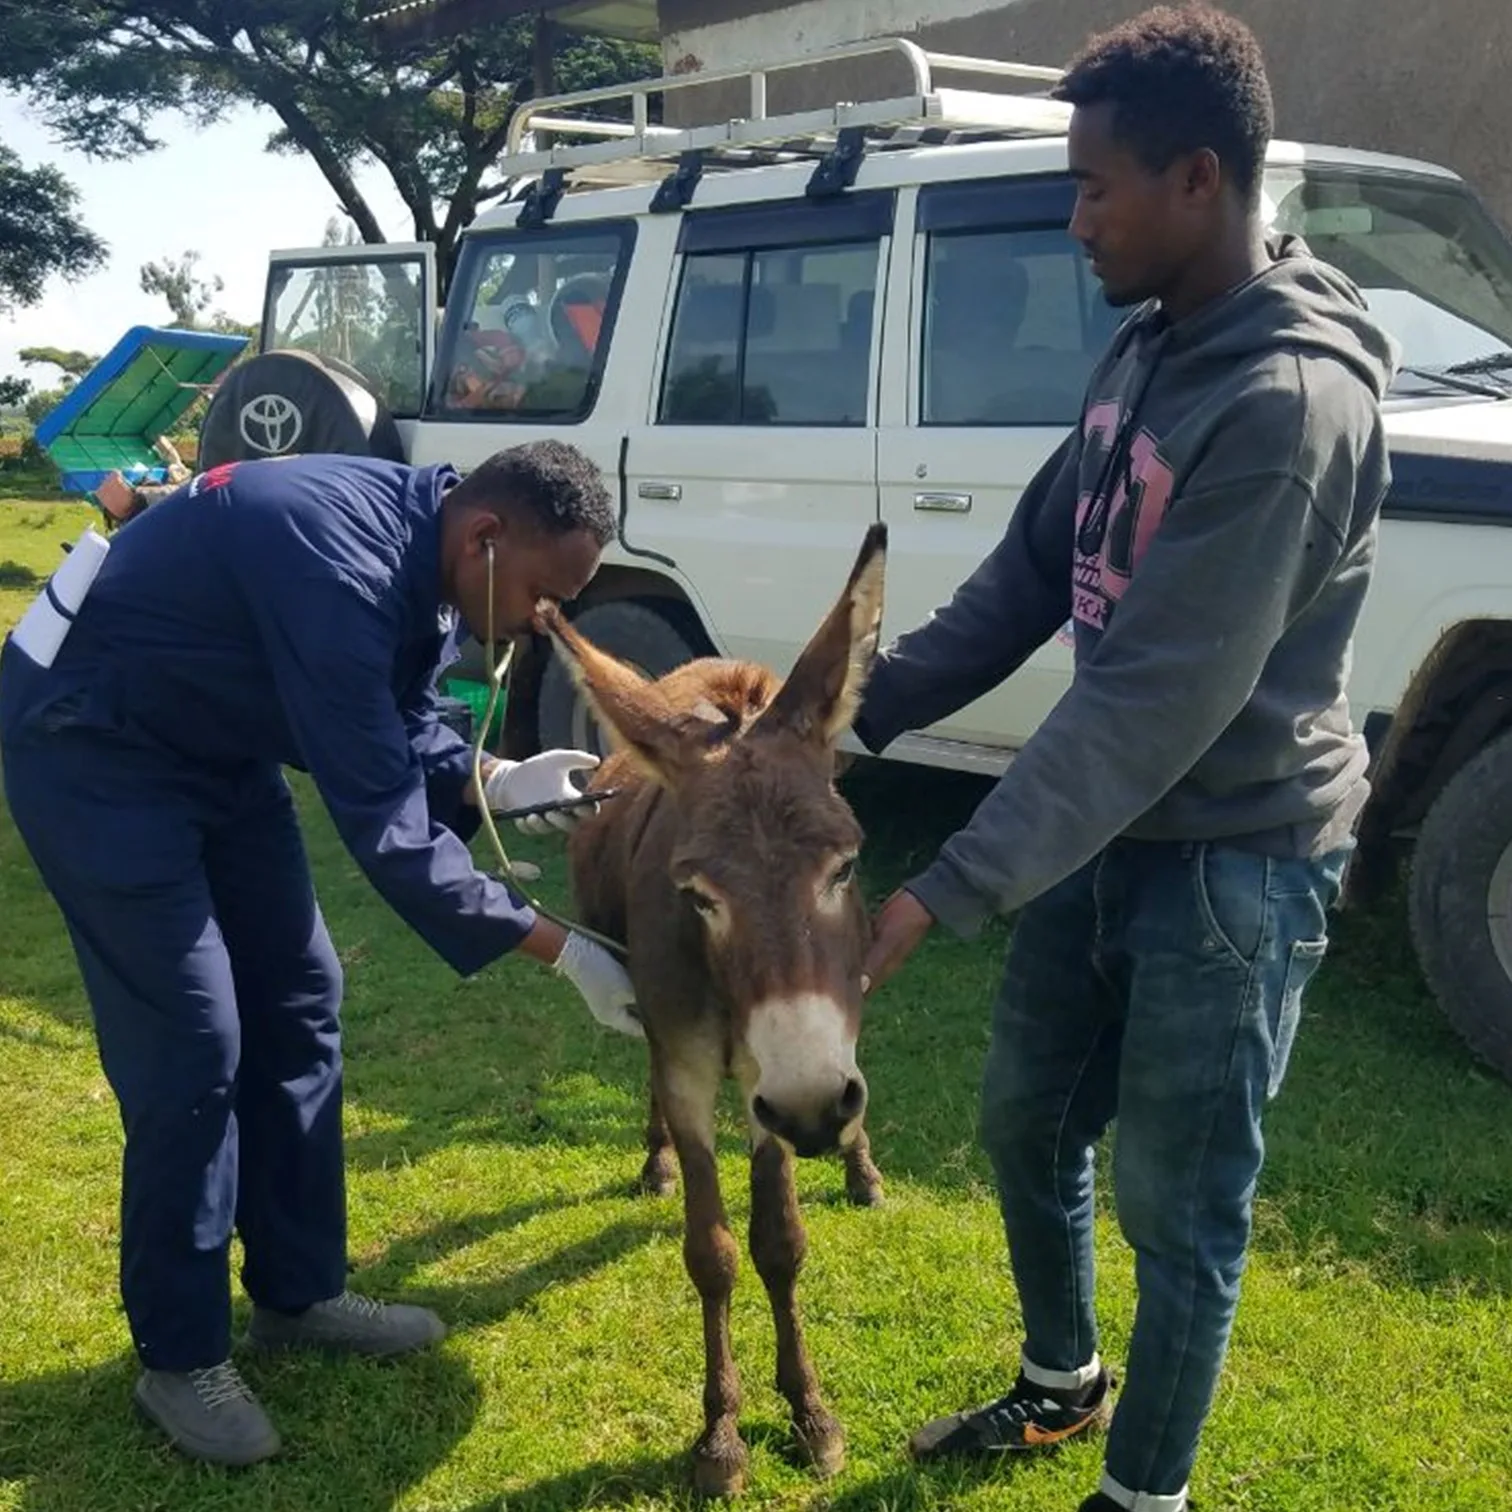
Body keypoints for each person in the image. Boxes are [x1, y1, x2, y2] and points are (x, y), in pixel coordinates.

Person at [854, 8, 1398, 1512]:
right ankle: (1060, 1385)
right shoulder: (1147, 347)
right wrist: (856, 704)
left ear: (1200, 181)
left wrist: (936, 891)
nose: (1074, 216)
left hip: (1235, 861)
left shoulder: (1287, 406)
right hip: (1109, 837)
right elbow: (1041, 563)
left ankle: (1140, 1497)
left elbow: (1151, 700)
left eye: (1098, 186)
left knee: (1182, 1210)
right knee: (1027, 1123)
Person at [0, 439, 643, 1467]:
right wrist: (565, 953)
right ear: (487, 537)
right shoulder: (332, 551)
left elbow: (395, 724)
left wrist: (503, 775)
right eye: (540, 595)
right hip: (91, 740)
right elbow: (385, 825)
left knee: (301, 994)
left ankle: (297, 1294)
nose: (538, 621)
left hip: (211, 741)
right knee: (194, 1040)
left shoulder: (424, 555)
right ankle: (181, 1356)